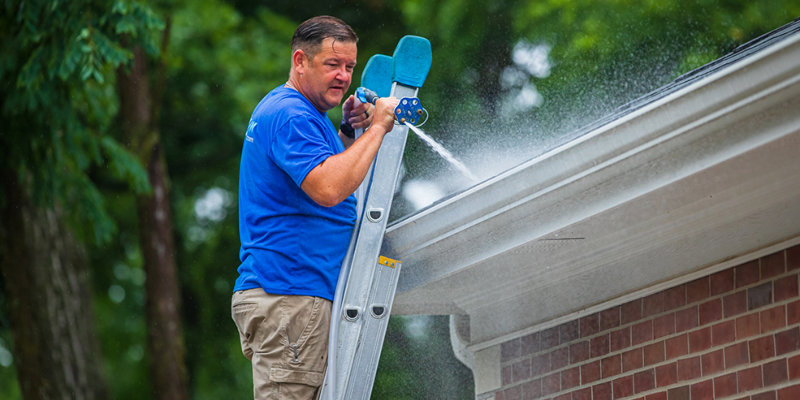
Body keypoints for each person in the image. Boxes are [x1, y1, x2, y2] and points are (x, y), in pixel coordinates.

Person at [231, 15, 399, 400]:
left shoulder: (306, 115)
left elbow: (316, 175)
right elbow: (328, 187)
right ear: (300, 61)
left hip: (291, 295)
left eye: (349, 67)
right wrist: (377, 129)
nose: (343, 76)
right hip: (291, 295)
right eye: (332, 64)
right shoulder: (291, 114)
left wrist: (346, 132)